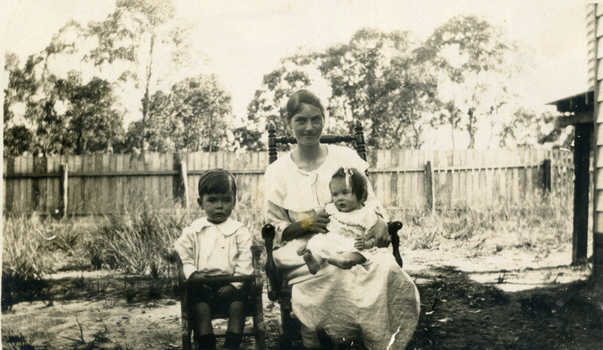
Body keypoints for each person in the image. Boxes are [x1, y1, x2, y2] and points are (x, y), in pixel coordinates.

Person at [262, 89, 420, 349]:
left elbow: (371, 203)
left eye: (316, 119)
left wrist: (380, 220)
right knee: (333, 268)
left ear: (325, 119)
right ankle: (330, 334)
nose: (310, 127)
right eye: (301, 121)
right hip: (302, 247)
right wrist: (305, 224)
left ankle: (377, 335)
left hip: (353, 240)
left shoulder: (344, 158)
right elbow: (274, 229)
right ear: (288, 122)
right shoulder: (278, 171)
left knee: (385, 268)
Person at [174, 169, 252, 350]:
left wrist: (235, 284)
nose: (219, 206)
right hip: (203, 284)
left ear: (234, 201)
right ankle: (207, 346)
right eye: (212, 200)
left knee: (238, 307)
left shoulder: (239, 230)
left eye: (226, 200)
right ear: (200, 203)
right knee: (200, 308)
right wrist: (192, 274)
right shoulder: (194, 230)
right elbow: (182, 252)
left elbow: (246, 260)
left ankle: (230, 347)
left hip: (233, 284)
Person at [298, 167, 380, 274]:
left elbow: (373, 238)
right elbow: (323, 231)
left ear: (362, 193)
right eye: (335, 194)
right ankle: (314, 262)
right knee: (320, 241)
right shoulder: (332, 210)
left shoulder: (367, 214)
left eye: (345, 192)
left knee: (362, 255)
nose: (339, 198)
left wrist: (365, 244)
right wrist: (309, 244)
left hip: (353, 245)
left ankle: (341, 260)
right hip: (333, 242)